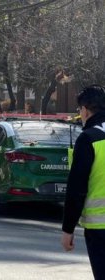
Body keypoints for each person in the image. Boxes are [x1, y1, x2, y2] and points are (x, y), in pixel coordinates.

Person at [61, 85, 105, 279]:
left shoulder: (88, 139)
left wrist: (67, 229)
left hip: (100, 229)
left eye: (80, 110)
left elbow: (77, 188)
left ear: (86, 110)